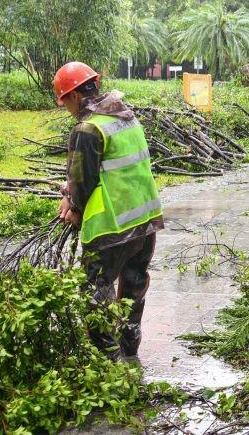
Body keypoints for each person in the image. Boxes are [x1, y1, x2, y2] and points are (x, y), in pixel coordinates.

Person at [53, 61, 164, 361]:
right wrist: (71, 194)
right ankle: (130, 349)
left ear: (74, 96)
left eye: (65, 102)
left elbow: (82, 179)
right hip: (145, 221)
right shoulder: (125, 116)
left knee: (95, 294)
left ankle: (107, 365)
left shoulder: (87, 127)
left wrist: (73, 206)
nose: (67, 108)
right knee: (133, 285)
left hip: (111, 226)